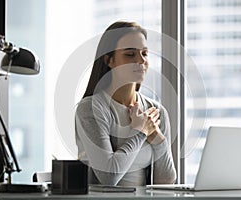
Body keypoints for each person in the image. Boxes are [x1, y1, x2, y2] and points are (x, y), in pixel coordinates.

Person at [75, 21, 176, 186]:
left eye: (144, 53)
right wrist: (140, 131)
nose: (141, 60)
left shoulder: (156, 112)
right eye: (130, 54)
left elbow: (166, 181)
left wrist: (157, 138)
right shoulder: (91, 108)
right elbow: (109, 178)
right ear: (109, 60)